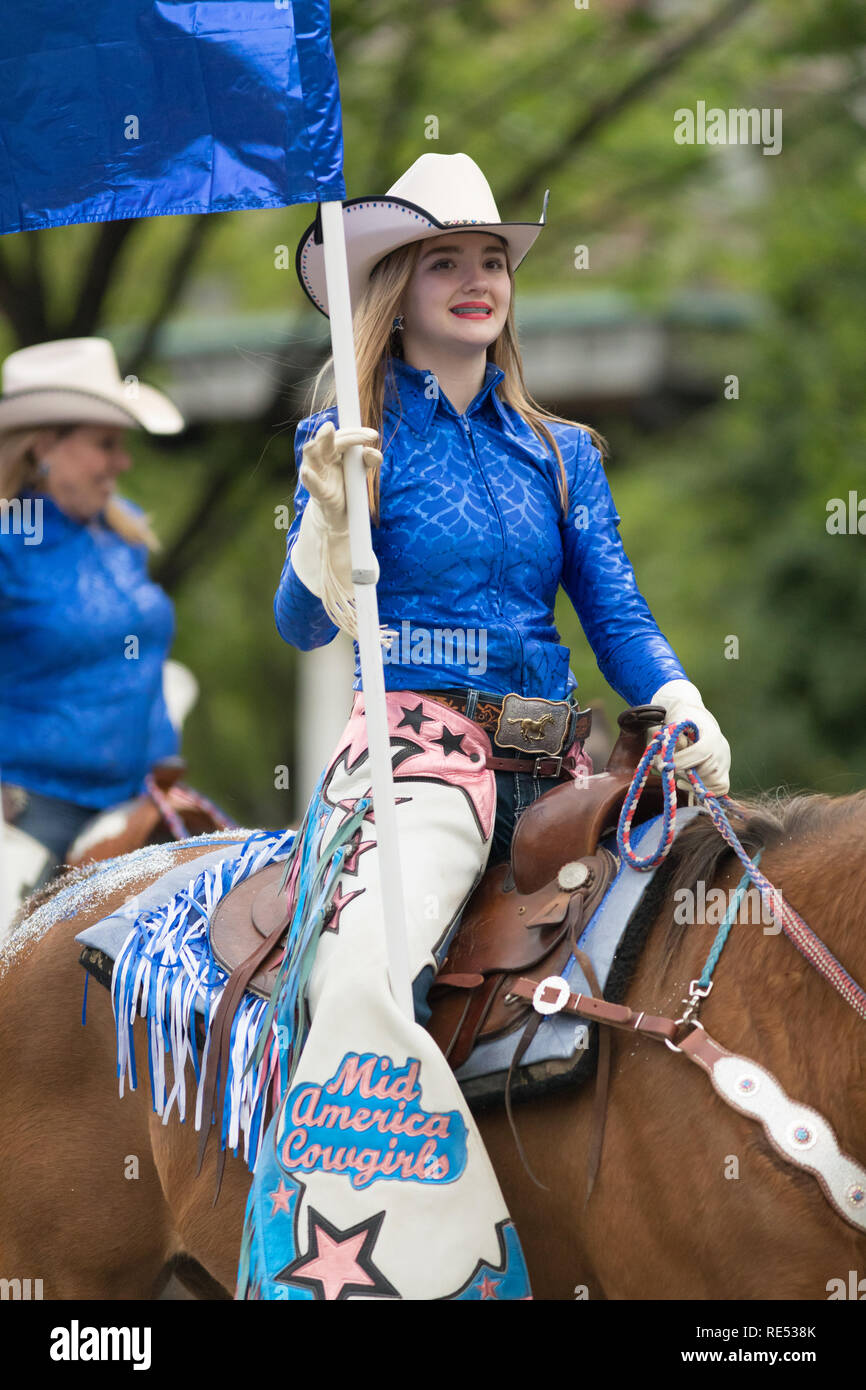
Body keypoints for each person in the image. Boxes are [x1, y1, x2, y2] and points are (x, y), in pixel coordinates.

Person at [238, 153, 731, 1301]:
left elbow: (612, 607)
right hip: (418, 757)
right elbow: (302, 626)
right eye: (445, 261)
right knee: (365, 973)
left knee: (715, 922)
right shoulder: (354, 433)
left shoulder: (563, 454)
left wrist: (678, 698)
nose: (476, 280)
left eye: (492, 260)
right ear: (398, 289)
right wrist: (323, 517)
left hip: (560, 761)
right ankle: (385, 1274)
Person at [0, 336, 185, 892]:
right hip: (35, 809)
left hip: (141, 801)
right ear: (44, 446)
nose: (121, 462)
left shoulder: (122, 530)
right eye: (106, 444)